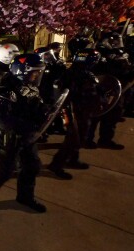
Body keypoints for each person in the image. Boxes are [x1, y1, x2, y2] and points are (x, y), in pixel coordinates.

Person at [0, 54, 49, 219]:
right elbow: (1, 120)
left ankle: (25, 197)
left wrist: (42, 114)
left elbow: (33, 107)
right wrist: (28, 125)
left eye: (39, 72)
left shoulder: (30, 86)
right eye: (34, 72)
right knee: (1, 173)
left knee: (32, 166)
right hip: (8, 138)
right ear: (22, 71)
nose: (37, 76)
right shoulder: (4, 91)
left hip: (27, 136)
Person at [47, 48, 101, 180]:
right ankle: (56, 164)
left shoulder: (78, 72)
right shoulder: (78, 74)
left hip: (82, 111)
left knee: (80, 137)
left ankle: (73, 159)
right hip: (73, 111)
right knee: (73, 139)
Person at [85, 32, 132, 150]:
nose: (117, 43)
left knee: (112, 117)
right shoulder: (95, 52)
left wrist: (126, 67)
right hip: (98, 89)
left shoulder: (121, 54)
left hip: (115, 89)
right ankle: (86, 139)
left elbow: (125, 72)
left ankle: (105, 139)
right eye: (114, 40)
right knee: (94, 115)